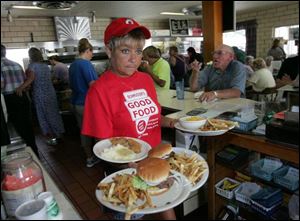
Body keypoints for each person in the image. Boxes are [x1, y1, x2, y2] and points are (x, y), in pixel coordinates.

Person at [81, 17, 177, 220]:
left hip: (155, 163)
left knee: (167, 207)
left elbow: (153, 117)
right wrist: (139, 171)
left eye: (138, 51)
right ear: (109, 51)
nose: (134, 58)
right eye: (125, 51)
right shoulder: (99, 90)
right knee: (132, 215)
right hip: (126, 172)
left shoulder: (144, 80)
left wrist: (172, 122)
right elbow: (104, 147)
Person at [1, 44, 39, 156]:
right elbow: (25, 85)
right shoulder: (16, 64)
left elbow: (1, 85)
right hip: (22, 97)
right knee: (27, 127)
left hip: (9, 99)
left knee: (13, 130)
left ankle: (21, 155)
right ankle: (34, 152)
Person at [68, 38, 99, 168]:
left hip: (75, 102)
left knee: (84, 131)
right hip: (86, 104)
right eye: (92, 52)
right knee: (98, 130)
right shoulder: (85, 64)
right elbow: (93, 85)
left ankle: (89, 158)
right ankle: (101, 156)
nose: (92, 55)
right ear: (87, 50)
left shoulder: (73, 64)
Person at [27, 47, 65, 146]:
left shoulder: (32, 66)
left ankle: (52, 137)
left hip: (40, 94)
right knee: (54, 113)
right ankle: (59, 135)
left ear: (30, 56)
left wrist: (21, 87)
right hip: (50, 92)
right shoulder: (45, 66)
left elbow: (30, 79)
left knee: (43, 115)